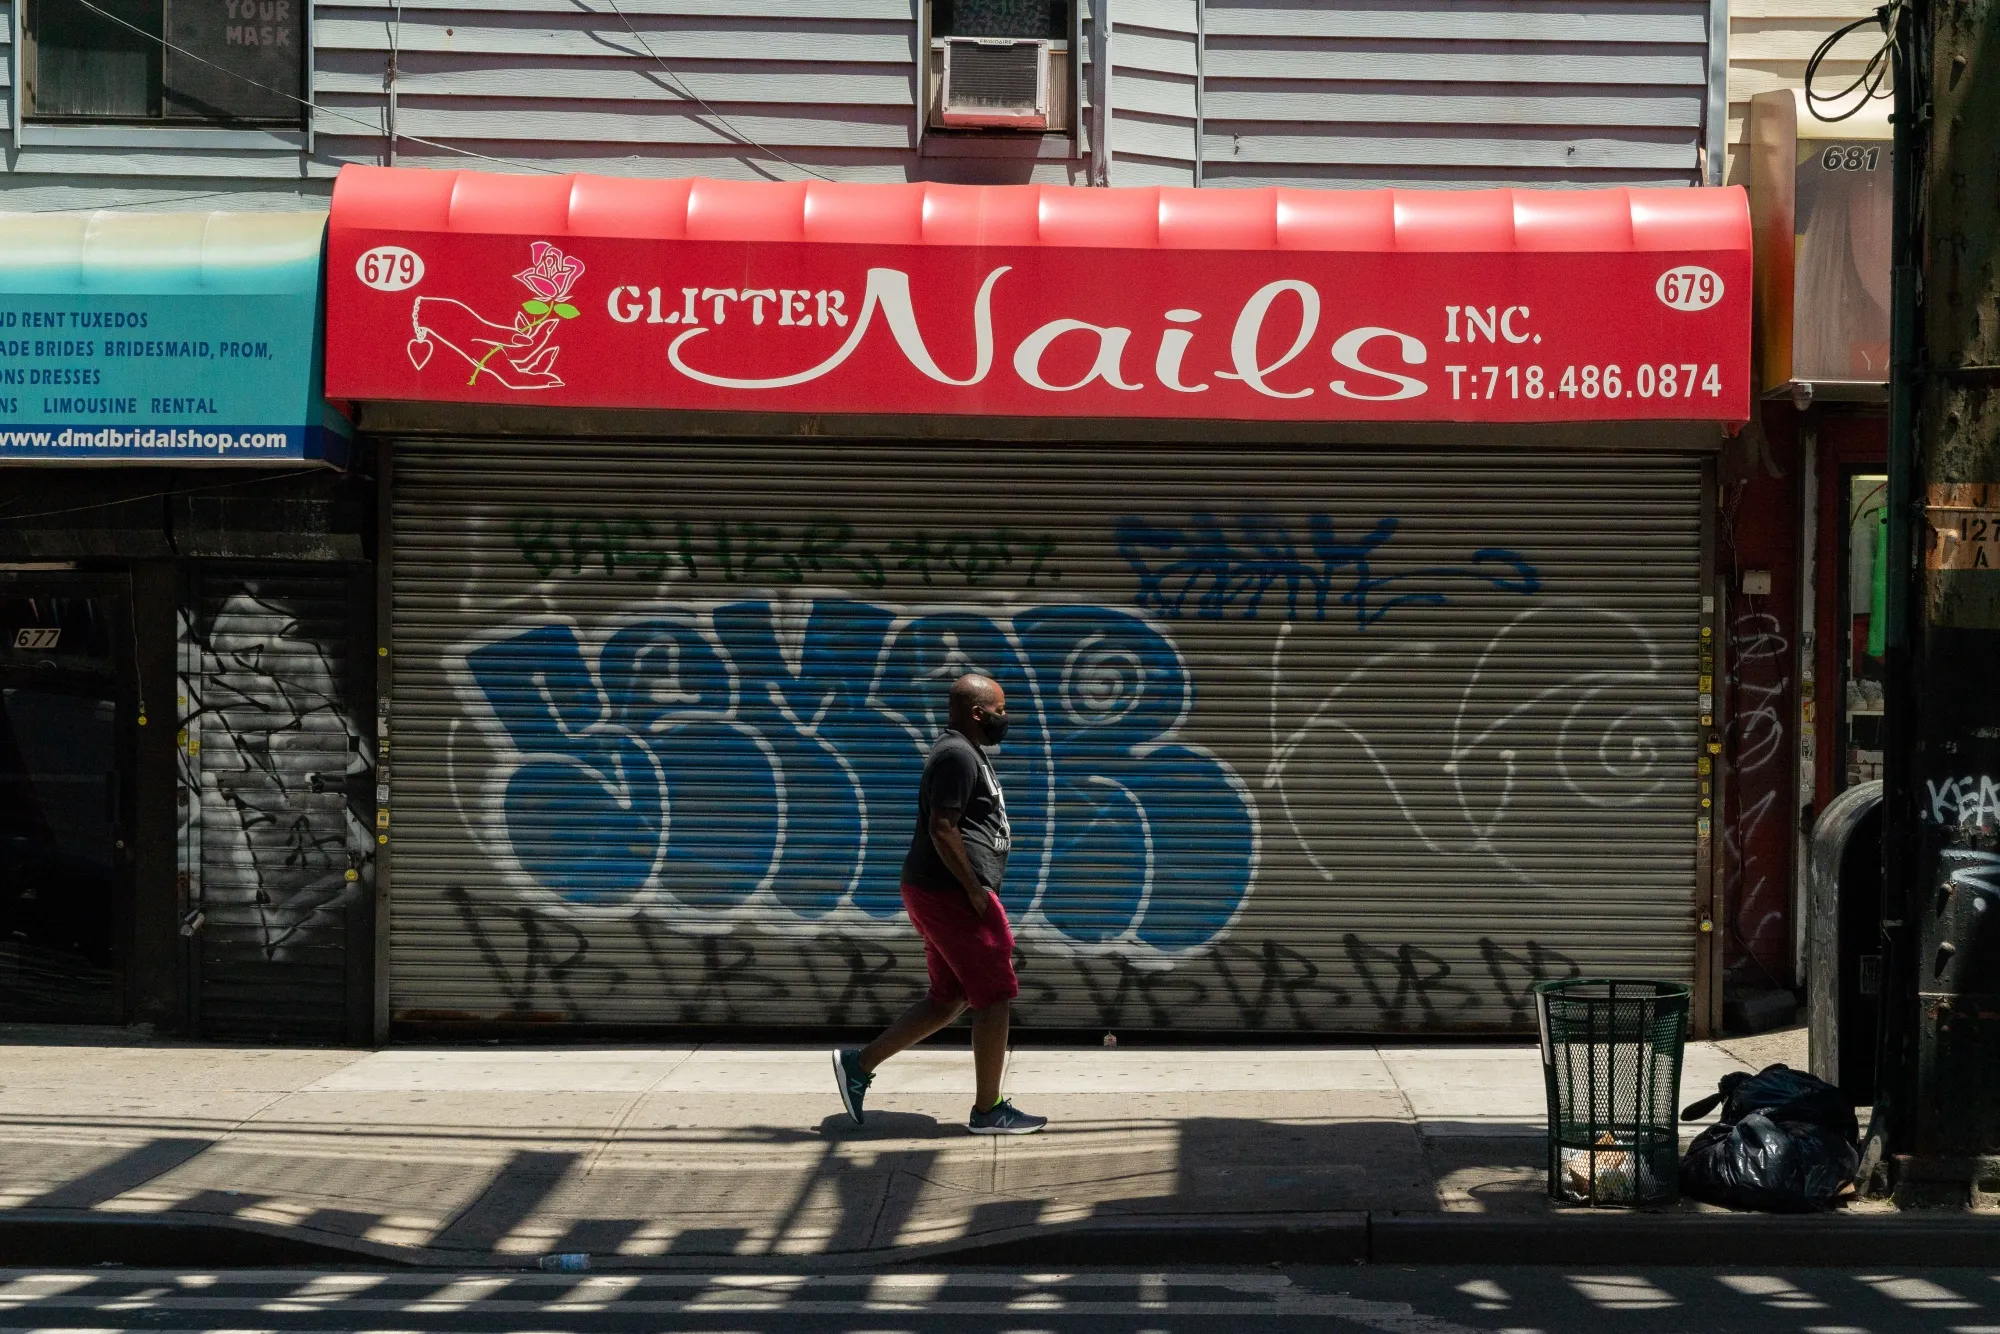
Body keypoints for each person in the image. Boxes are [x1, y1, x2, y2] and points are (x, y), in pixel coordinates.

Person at [831, 672, 1048, 1135]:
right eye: (1000, 710)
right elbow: (942, 827)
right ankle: (988, 1110)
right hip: (951, 893)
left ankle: (858, 1063)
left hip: (938, 890)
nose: (1004, 719)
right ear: (977, 713)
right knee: (995, 996)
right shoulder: (956, 756)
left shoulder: (965, 753)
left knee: (949, 997)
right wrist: (973, 888)